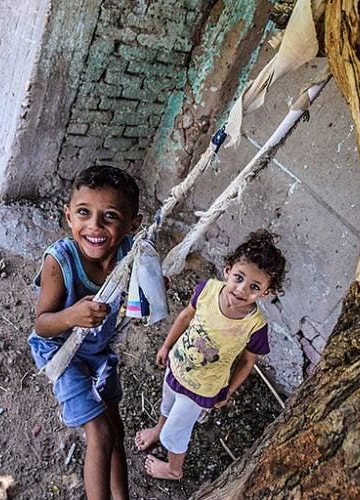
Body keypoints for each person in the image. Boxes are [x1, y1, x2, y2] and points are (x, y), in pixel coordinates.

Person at [28, 165, 142, 500]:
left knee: (116, 430)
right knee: (101, 433)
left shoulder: (129, 252)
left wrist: (150, 287)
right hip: (61, 351)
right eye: (83, 213)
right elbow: (42, 324)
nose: (94, 226)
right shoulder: (59, 260)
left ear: (133, 225)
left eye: (109, 216)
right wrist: (73, 316)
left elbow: (145, 287)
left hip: (97, 351)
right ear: (68, 216)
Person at [135, 229, 286, 480]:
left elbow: (248, 362)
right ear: (227, 270)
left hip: (202, 389)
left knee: (174, 433)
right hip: (178, 365)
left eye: (254, 287)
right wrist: (166, 346)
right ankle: (157, 428)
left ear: (266, 293)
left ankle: (174, 469)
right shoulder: (208, 289)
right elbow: (185, 316)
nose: (241, 290)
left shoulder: (255, 326)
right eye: (238, 277)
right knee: (167, 401)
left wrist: (227, 392)